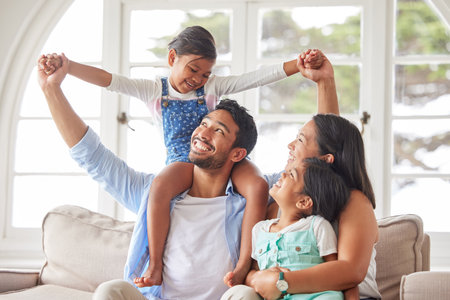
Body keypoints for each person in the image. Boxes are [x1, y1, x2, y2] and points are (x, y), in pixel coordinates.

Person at [38, 26, 324, 287]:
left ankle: (243, 265)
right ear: (172, 58)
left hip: (230, 186)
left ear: (237, 152)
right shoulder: (153, 95)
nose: (198, 80)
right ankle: (155, 264)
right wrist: (62, 76)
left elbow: (316, 160)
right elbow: (108, 90)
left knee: (257, 184)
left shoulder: (252, 191)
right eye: (193, 70)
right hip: (178, 162)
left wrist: (301, 69)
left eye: (218, 130)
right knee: (157, 192)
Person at [229, 51, 382, 299]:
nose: (290, 145)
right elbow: (325, 136)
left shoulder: (354, 202)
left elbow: (351, 271)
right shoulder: (281, 203)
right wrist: (254, 277)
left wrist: (282, 281)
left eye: (299, 139)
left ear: (325, 159)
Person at [223, 157, 357, 300]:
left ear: (304, 202)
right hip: (270, 296)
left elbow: (334, 272)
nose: (283, 174)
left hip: (311, 296)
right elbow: (254, 269)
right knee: (238, 294)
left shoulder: (317, 226)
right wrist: (256, 278)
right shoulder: (260, 230)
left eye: (291, 175)